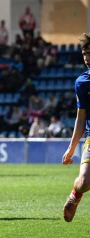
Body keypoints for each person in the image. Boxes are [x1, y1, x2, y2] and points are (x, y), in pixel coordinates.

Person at [62, 33, 90, 222]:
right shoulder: (82, 83)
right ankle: (74, 196)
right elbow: (81, 117)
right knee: (84, 182)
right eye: (84, 54)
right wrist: (71, 148)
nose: (87, 58)